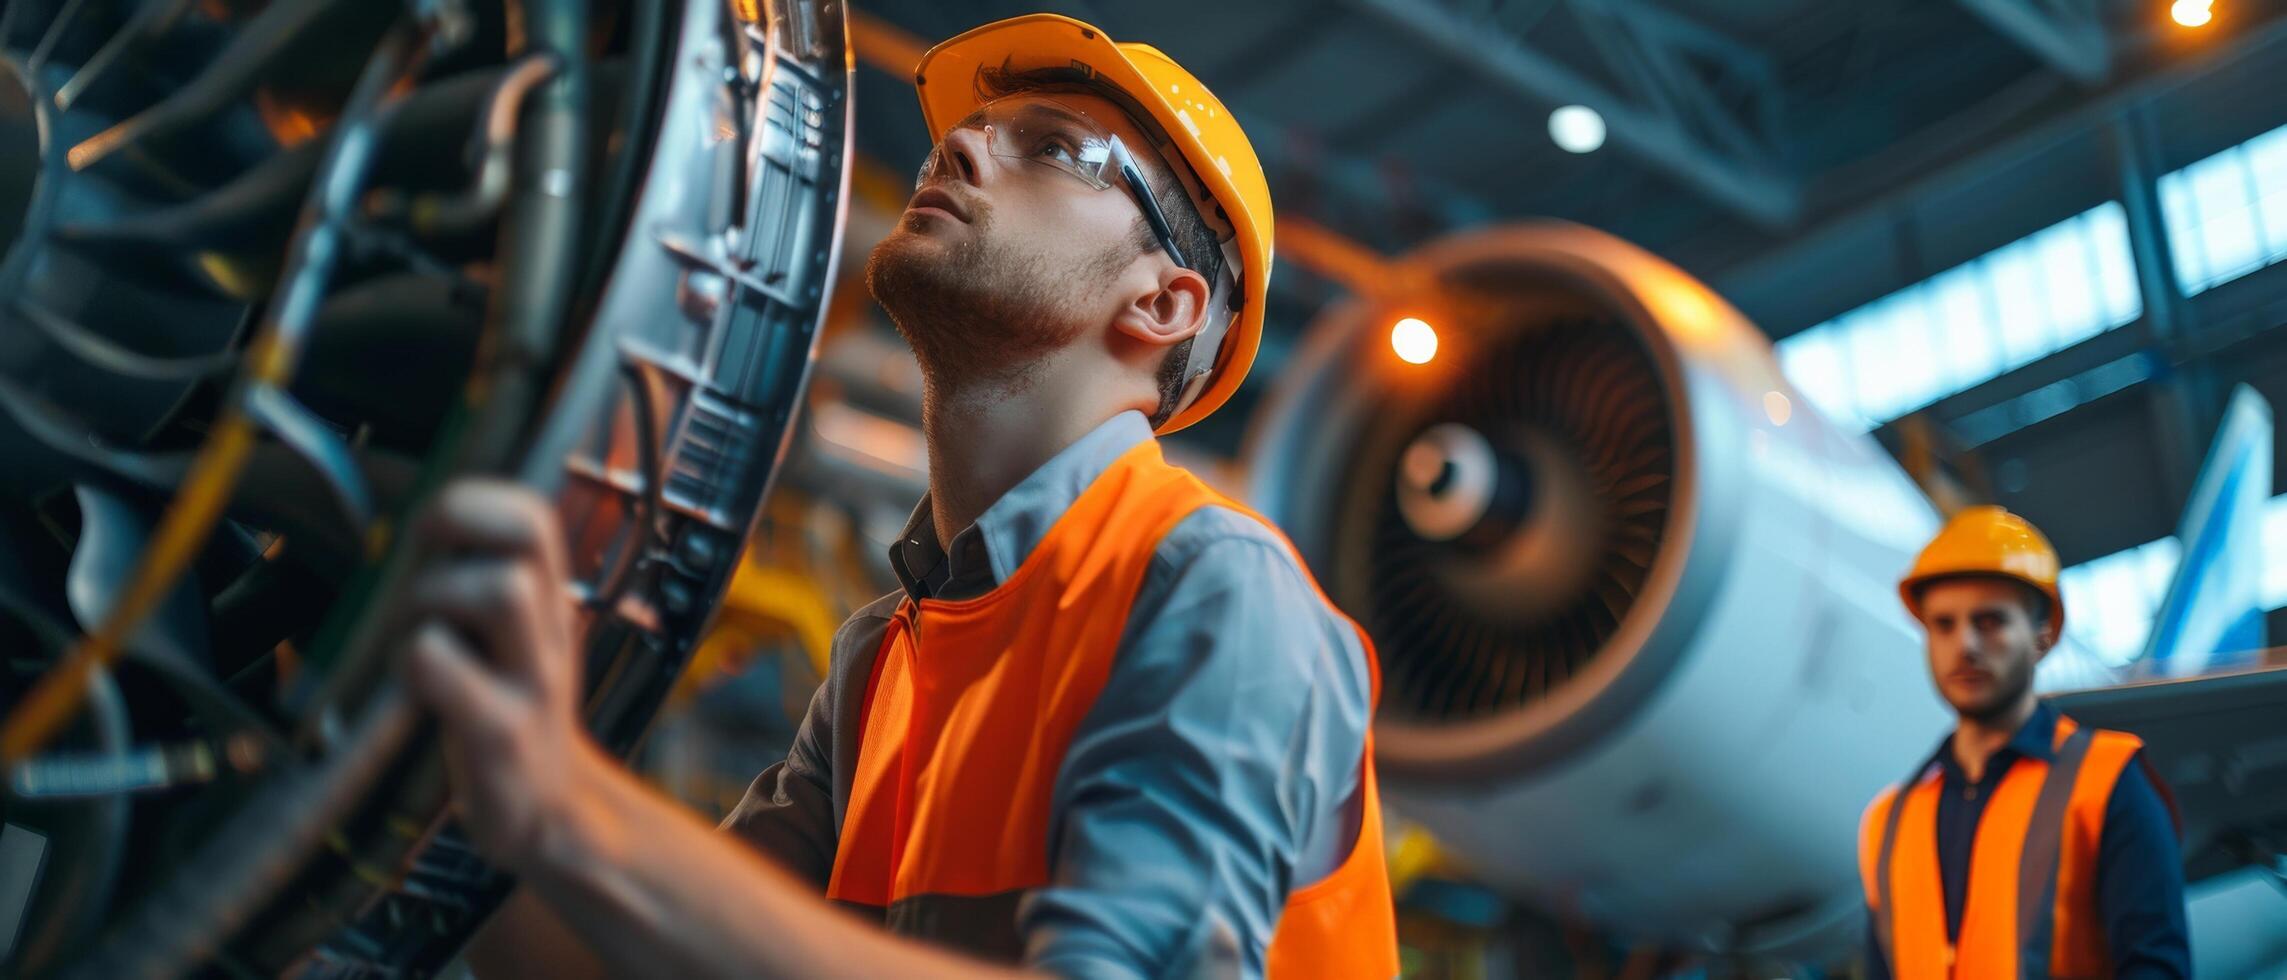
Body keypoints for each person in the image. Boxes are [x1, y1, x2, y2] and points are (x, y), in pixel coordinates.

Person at [396, 13, 1399, 979]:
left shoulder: (1211, 585)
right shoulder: (885, 658)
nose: (957, 150)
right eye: (968, 133)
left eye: (1051, 149)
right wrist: (451, 767)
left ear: (1160, 302)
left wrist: (565, 801)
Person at [1860, 506, 2189, 978]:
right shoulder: (1889, 823)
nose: (1965, 645)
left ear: (2044, 635)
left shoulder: (2108, 782)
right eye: (1943, 625)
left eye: (1989, 621)